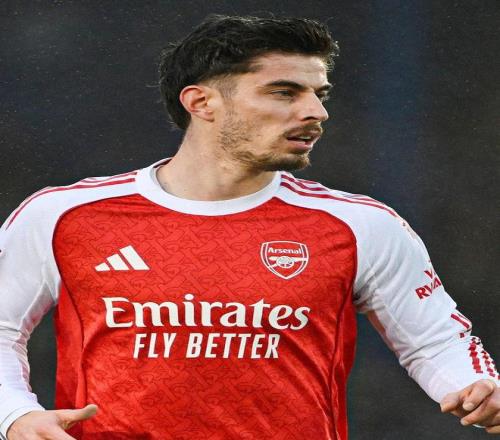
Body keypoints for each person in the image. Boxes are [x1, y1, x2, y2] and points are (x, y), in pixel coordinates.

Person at [0, 14, 498, 440]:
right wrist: (15, 415)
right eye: (284, 92)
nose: (316, 112)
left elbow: (436, 341)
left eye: (319, 94)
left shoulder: (361, 225)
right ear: (201, 103)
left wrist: (480, 389)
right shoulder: (63, 216)